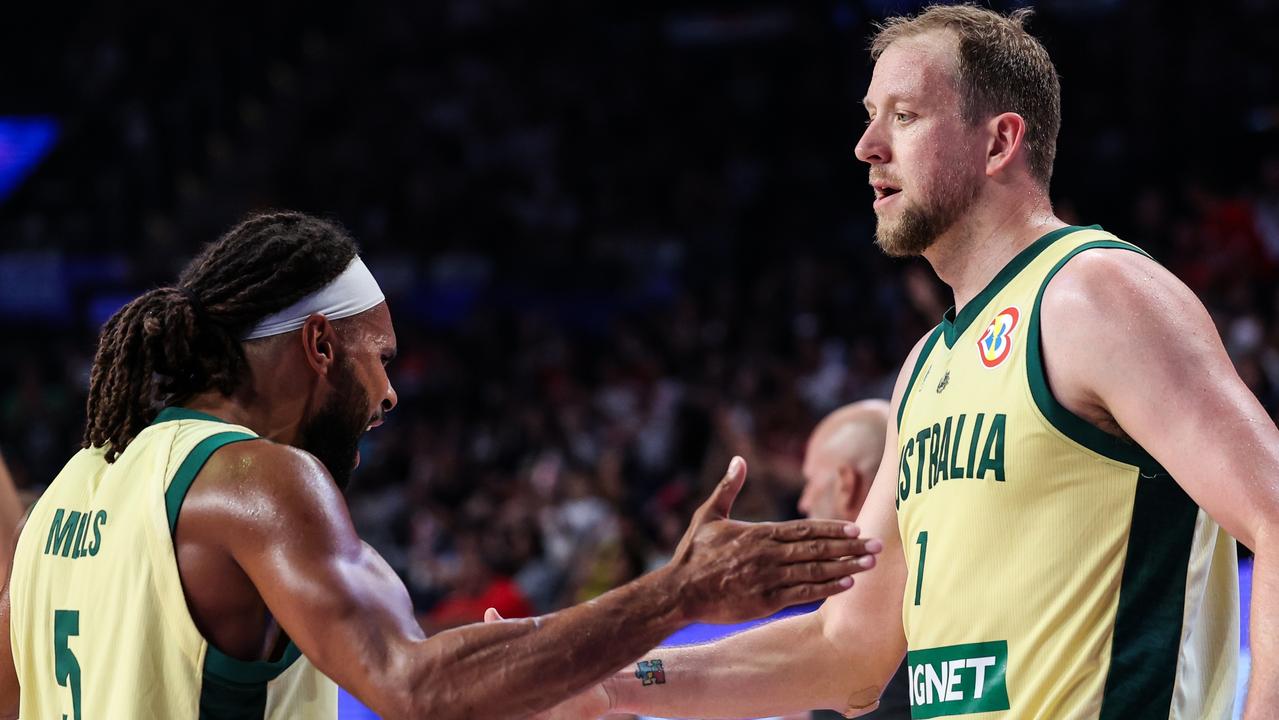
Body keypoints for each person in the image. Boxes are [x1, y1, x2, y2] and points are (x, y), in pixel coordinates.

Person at [543, 6, 1275, 719]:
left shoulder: (1094, 294)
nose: (866, 145)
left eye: (903, 115)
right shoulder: (925, 365)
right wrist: (613, 682)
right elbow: (847, 653)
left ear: (998, 143)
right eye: (868, 115)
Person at [0, 211, 883, 720]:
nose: (387, 394)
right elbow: (415, 687)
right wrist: (678, 594)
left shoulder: (66, 496)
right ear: (318, 344)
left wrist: (555, 664)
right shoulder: (256, 478)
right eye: (376, 355)